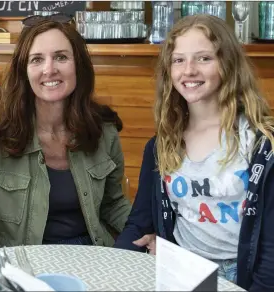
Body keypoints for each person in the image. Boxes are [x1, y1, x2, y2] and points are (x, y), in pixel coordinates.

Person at [114, 15, 274, 291]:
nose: (188, 70)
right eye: (178, 60)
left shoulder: (262, 144)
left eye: (203, 58)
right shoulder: (160, 145)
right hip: (181, 270)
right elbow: (139, 224)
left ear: (228, 64)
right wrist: (114, 269)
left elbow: (271, 247)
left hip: (243, 275)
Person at [0, 15, 132, 252]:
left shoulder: (103, 132)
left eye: (61, 57)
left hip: (91, 254)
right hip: (19, 264)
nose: (49, 69)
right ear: (24, 70)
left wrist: (149, 236)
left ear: (78, 65)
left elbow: (114, 204)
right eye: (37, 59)